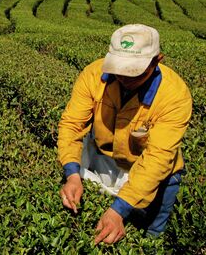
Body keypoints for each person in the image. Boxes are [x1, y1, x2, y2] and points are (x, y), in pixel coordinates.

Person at [57, 24, 192, 245]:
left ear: (156, 60)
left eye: (133, 72)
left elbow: (157, 158)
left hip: (155, 173)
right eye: (119, 69)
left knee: (150, 236)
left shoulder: (174, 95)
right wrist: (72, 174)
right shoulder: (93, 75)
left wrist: (118, 209)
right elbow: (72, 125)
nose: (124, 78)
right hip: (107, 161)